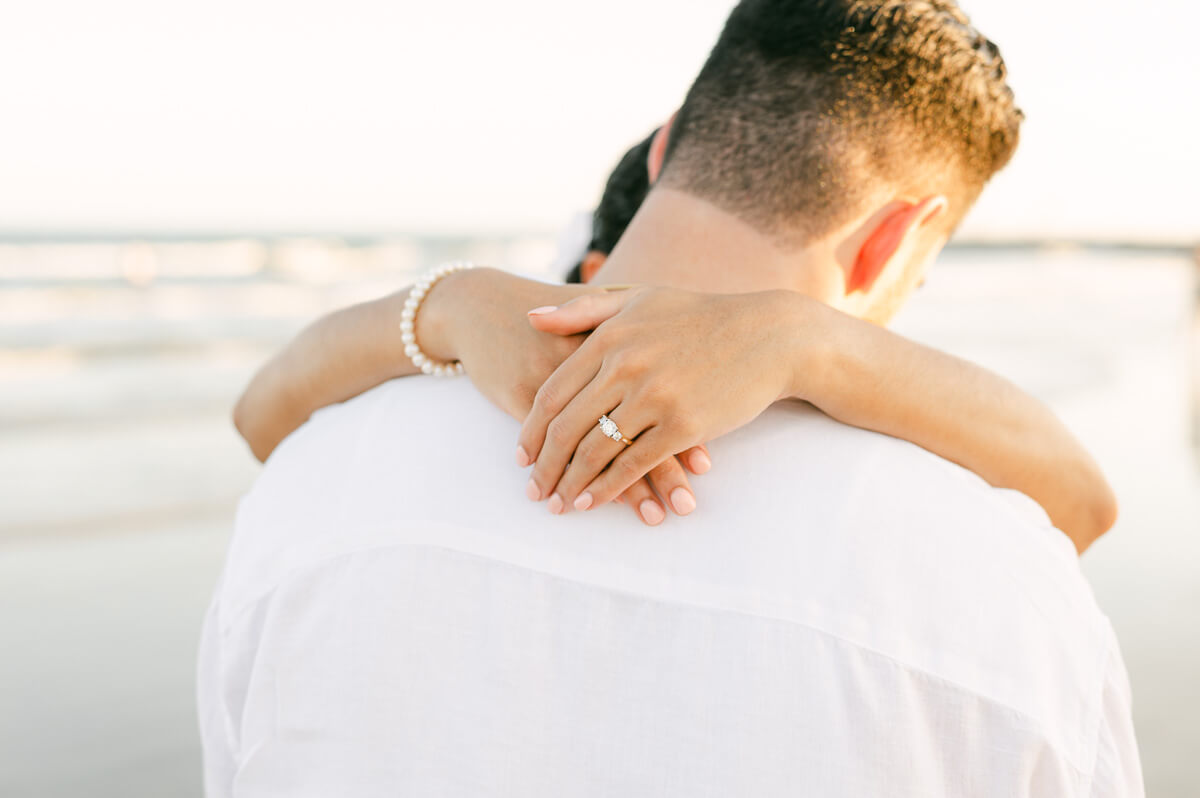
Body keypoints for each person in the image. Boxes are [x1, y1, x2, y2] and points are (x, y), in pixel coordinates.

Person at [200, 1, 1142, 795]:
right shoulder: (1006, 586)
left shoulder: (313, 485)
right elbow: (1083, 506)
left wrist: (448, 303)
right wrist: (813, 341)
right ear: (894, 240)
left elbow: (263, 421)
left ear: (659, 155)